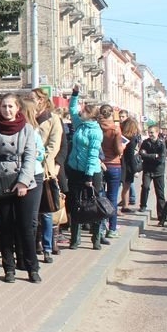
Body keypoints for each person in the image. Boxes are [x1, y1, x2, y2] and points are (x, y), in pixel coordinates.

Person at [0, 94, 40, 283]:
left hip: (24, 182)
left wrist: (23, 182)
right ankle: (9, 268)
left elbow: (30, 157)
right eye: (4, 106)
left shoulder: (27, 129)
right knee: (5, 227)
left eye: (10, 106)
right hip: (1, 181)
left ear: (17, 108)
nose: (7, 110)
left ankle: (32, 268)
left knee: (26, 227)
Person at [65, 85, 105, 250]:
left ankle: (96, 238)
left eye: (84, 111)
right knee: (75, 204)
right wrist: (75, 94)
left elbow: (93, 155)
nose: (81, 112)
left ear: (91, 115)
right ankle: (75, 239)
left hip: (91, 172)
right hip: (75, 170)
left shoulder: (96, 132)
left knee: (93, 205)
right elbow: (72, 109)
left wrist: (88, 176)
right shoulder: (80, 125)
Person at [31, 89, 63, 262]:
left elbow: (54, 144)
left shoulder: (53, 119)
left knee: (46, 211)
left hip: (45, 170)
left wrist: (42, 158)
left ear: (41, 100)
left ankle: (47, 247)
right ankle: (34, 243)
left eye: (32, 99)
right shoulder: (27, 117)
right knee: (32, 211)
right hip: (27, 169)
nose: (30, 101)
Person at [98, 104, 124, 238]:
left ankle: (101, 227)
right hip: (114, 164)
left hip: (100, 164)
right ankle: (112, 228)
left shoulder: (97, 126)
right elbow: (118, 150)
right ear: (112, 114)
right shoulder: (115, 129)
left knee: (100, 197)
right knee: (112, 197)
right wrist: (123, 147)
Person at [139, 124, 167, 223]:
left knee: (160, 193)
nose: (150, 134)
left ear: (157, 133)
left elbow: (161, 159)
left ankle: (161, 214)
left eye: (152, 132)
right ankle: (143, 205)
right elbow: (142, 155)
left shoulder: (161, 144)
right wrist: (154, 155)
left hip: (158, 171)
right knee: (145, 187)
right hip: (147, 170)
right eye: (149, 133)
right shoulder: (145, 143)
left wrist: (149, 156)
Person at [119, 117, 142, 213]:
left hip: (120, 162)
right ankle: (125, 206)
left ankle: (125, 205)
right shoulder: (132, 139)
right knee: (126, 186)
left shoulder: (121, 137)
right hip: (127, 165)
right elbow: (131, 156)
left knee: (122, 186)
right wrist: (135, 170)